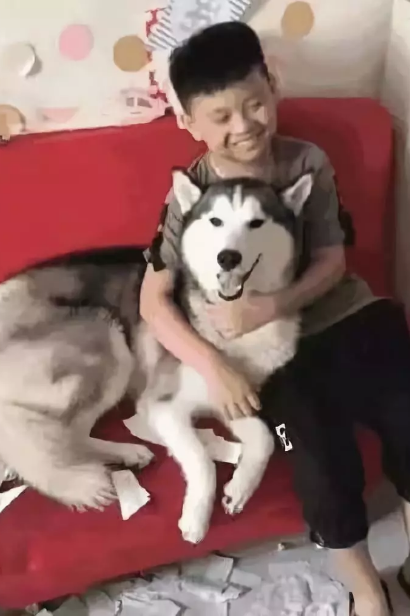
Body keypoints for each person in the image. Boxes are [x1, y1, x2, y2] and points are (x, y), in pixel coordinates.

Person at [139, 21, 410, 616]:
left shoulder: (308, 162)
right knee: (319, 460)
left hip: (351, 316)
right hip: (268, 356)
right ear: (189, 122)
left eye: (254, 104)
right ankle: (367, 592)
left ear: (273, 85)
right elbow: (152, 301)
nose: (244, 126)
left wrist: (272, 304)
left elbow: (334, 261)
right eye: (221, 117)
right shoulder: (190, 194)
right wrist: (214, 369)